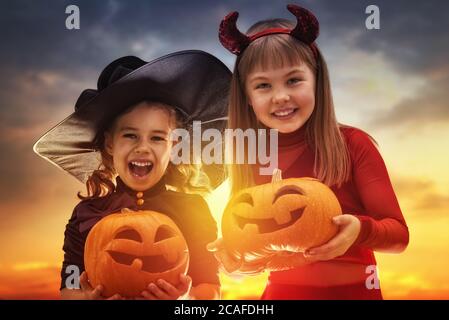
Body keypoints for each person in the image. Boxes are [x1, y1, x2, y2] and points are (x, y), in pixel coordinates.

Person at [208, 5, 409, 299]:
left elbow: (399, 236)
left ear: (317, 79)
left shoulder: (353, 144)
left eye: (293, 80)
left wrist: (360, 230)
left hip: (356, 293)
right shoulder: (250, 155)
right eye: (263, 85)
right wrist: (237, 261)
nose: (281, 96)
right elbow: (258, 252)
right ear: (247, 97)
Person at [34, 51, 231, 299]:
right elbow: (69, 286)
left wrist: (184, 299)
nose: (143, 147)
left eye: (157, 137)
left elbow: (210, 289)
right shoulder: (85, 214)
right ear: (109, 144)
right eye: (130, 135)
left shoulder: (194, 210)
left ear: (175, 146)